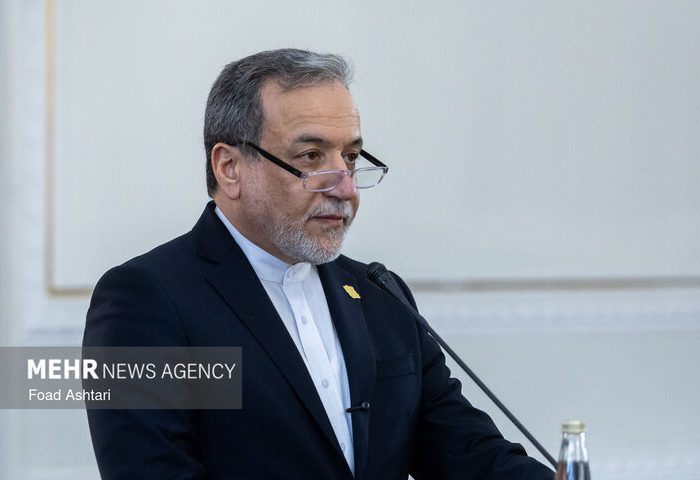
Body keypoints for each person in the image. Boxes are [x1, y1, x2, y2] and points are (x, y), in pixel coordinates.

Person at [83, 48, 554, 480]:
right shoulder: (145, 300)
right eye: (311, 157)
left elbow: (469, 454)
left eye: (350, 157)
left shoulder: (379, 294)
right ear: (230, 168)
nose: (344, 187)